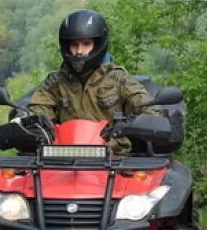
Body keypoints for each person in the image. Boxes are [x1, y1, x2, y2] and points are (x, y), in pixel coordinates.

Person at [26, 10, 157, 152]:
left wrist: (128, 125)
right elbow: (38, 108)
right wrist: (26, 119)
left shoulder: (119, 79)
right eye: (74, 44)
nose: (79, 51)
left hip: (112, 158)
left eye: (86, 44)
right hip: (63, 157)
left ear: (98, 44)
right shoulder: (55, 82)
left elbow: (149, 109)